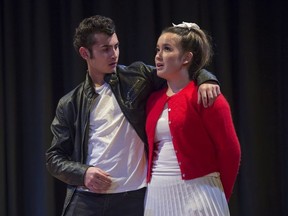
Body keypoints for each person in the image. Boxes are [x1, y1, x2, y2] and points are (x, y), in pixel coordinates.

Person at [46, 15, 221, 216]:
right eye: (105, 49)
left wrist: (207, 79)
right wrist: (83, 173)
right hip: (87, 200)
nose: (114, 54)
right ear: (85, 53)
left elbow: (178, 70)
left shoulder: (137, 76)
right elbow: (53, 158)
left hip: (134, 198)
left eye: (116, 46)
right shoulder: (70, 103)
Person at [144, 22, 241, 216]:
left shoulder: (207, 97)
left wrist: (218, 193)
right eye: (157, 49)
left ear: (186, 58)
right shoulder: (153, 99)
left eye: (167, 49)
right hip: (157, 193)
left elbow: (231, 152)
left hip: (200, 193)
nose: (158, 55)